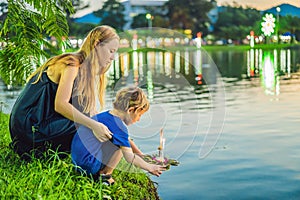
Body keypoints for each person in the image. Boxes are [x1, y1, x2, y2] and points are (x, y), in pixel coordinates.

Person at [9, 25, 119, 160]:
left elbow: (90, 113)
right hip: (29, 129)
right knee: (89, 124)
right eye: (111, 51)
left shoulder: (84, 71)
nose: (113, 57)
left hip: (42, 126)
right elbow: (60, 105)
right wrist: (94, 125)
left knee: (97, 121)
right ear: (97, 44)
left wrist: (116, 131)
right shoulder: (72, 64)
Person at [71, 86, 166, 185]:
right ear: (130, 110)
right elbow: (130, 158)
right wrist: (149, 167)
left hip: (77, 162)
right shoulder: (120, 127)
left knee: (122, 140)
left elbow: (127, 139)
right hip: (88, 166)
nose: (138, 119)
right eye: (139, 115)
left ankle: (101, 172)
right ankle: (105, 175)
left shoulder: (106, 116)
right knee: (121, 146)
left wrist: (141, 156)